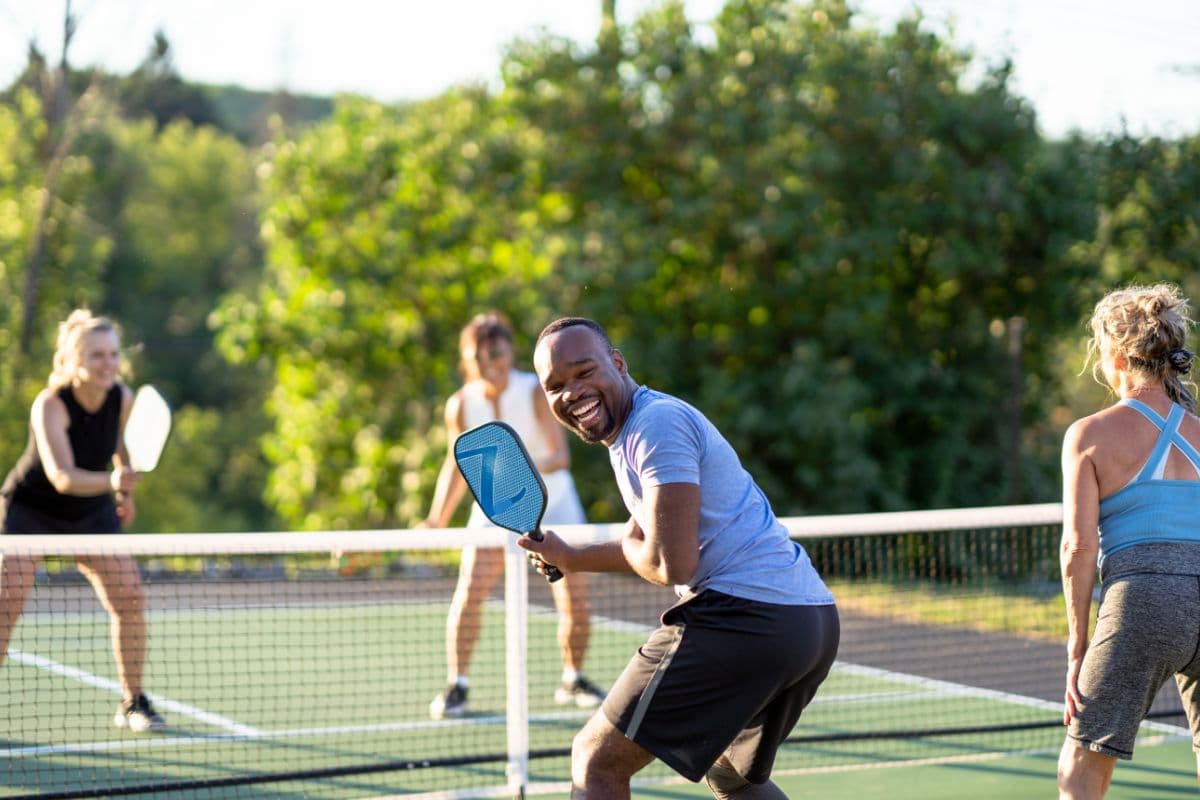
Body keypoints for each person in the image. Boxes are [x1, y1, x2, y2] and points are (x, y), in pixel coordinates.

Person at [521, 317, 840, 799]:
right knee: (729, 771)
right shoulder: (632, 432)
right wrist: (569, 556)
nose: (572, 392)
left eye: (584, 372)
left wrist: (626, 549)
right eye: (556, 386)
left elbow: (672, 564)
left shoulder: (656, 426)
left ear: (619, 363)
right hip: (808, 621)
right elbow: (643, 539)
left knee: (595, 760)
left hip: (746, 616)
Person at [421, 311, 604, 719]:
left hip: (554, 503)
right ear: (469, 360)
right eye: (480, 357)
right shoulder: (460, 405)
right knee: (470, 590)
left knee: (573, 595)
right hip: (492, 511)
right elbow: (456, 465)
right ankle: (458, 685)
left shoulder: (535, 391)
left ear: (508, 353)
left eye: (497, 354)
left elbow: (559, 455)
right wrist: (436, 518)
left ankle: (573, 677)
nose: (490, 363)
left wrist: (517, 476)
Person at [1058, 283, 1200, 799]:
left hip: (1145, 599)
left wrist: (1078, 646)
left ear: (1115, 356)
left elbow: (1078, 548)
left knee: (1081, 765)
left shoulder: (1090, 434)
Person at [0, 308, 165, 732]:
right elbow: (62, 476)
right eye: (97, 356)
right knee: (6, 603)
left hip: (91, 512)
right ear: (75, 361)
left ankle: (133, 702)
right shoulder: (50, 404)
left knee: (129, 598)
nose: (108, 363)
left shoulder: (122, 397)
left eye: (112, 354)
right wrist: (114, 481)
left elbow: (124, 453)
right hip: (31, 510)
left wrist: (125, 493)